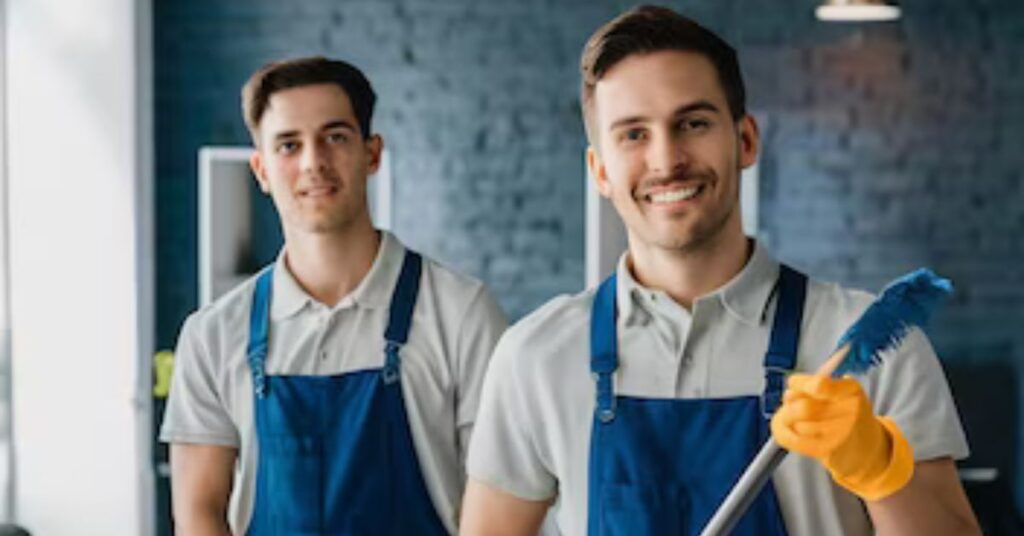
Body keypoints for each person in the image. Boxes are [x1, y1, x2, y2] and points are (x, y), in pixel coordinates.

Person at [460, 6, 980, 536]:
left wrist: (879, 467)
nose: (667, 160)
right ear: (599, 171)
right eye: (634, 134)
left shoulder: (863, 352)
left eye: (694, 123)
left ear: (746, 140)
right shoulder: (535, 358)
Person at [160, 56, 508, 535]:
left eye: (335, 136)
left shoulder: (462, 314)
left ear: (372, 153)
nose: (313, 162)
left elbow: (500, 509)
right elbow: (199, 513)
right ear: (261, 169)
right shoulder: (212, 335)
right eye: (288, 145)